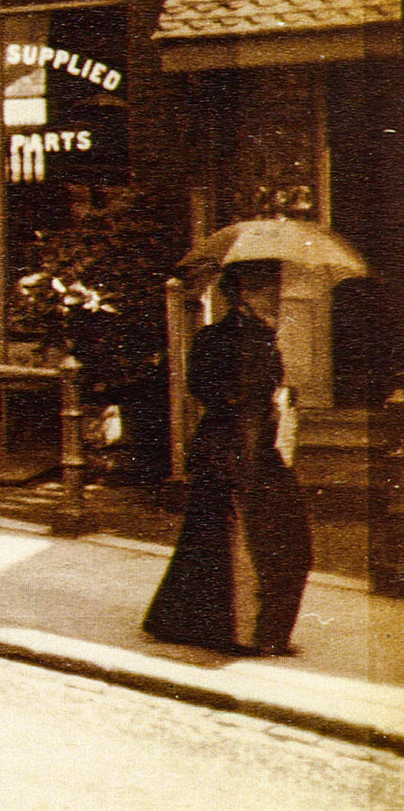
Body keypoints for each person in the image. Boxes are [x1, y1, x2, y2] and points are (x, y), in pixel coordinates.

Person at [143, 259, 314, 656]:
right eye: (262, 289)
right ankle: (245, 634)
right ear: (240, 293)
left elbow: (272, 386)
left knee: (283, 538)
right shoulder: (213, 338)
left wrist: (281, 400)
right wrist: (243, 398)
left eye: (274, 289)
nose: (273, 297)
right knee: (236, 540)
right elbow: (200, 387)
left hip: (263, 448)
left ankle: (221, 626)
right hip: (229, 449)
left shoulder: (266, 336)